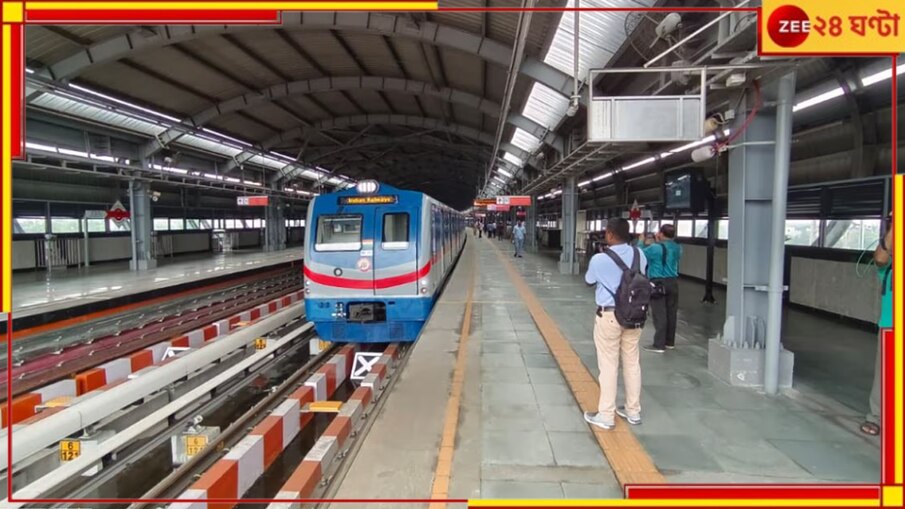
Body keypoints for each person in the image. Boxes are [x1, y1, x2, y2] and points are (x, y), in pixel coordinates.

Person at [583, 218, 648, 430]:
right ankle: (633, 411)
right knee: (632, 363)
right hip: (635, 316)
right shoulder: (641, 255)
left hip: (609, 316)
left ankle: (606, 415)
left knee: (609, 366)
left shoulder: (600, 259)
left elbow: (589, 281)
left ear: (610, 234)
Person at [862, 214, 893, 436]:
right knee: (885, 374)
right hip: (891, 323)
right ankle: (877, 417)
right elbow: (880, 258)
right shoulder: (889, 263)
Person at [641, 224, 682, 353]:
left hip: (658, 282)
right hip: (673, 282)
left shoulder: (655, 248)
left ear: (661, 233)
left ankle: (659, 344)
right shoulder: (678, 248)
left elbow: (640, 254)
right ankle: (670, 342)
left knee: (659, 313)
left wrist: (641, 241)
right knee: (671, 312)